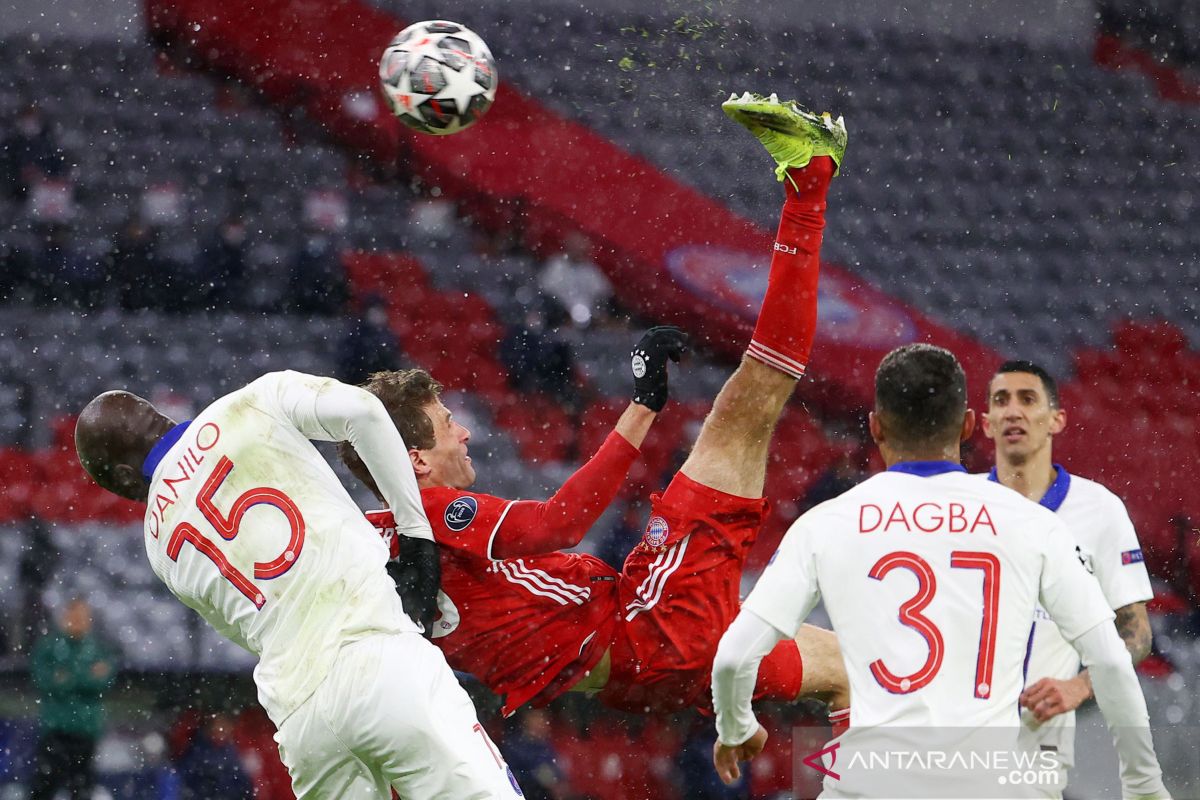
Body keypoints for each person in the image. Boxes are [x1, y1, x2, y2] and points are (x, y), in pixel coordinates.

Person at [345, 93, 851, 720]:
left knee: (845, 669)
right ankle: (808, 185)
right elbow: (560, 523)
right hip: (648, 629)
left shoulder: (368, 537)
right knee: (748, 403)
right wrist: (642, 407)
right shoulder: (428, 508)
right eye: (449, 425)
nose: (466, 434)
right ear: (415, 460)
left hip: (635, 671)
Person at [710, 343, 1170, 799]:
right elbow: (1111, 659)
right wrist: (1143, 785)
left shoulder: (827, 523)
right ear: (971, 424)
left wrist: (736, 726)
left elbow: (734, 656)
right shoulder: (1034, 524)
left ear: (875, 427)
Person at [74, 371, 522, 799]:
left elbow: (247, 628)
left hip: (301, 717)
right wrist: (416, 535)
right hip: (377, 655)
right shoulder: (250, 403)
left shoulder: (158, 545)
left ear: (123, 476)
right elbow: (365, 413)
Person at [982, 360, 1154, 798]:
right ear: (985, 423)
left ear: (1057, 419)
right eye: (1001, 401)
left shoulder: (1100, 510)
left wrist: (1080, 685)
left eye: (1027, 399)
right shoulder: (959, 509)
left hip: (1038, 747)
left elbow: (1135, 634)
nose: (1013, 411)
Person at [28, 598, 117, 800]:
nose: (78, 621)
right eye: (74, 615)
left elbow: (105, 681)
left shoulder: (98, 648)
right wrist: (86, 676)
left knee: (82, 788)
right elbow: (44, 680)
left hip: (86, 730)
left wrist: (68, 676)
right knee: (44, 785)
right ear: (64, 617)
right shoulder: (49, 647)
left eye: (83, 616)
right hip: (56, 729)